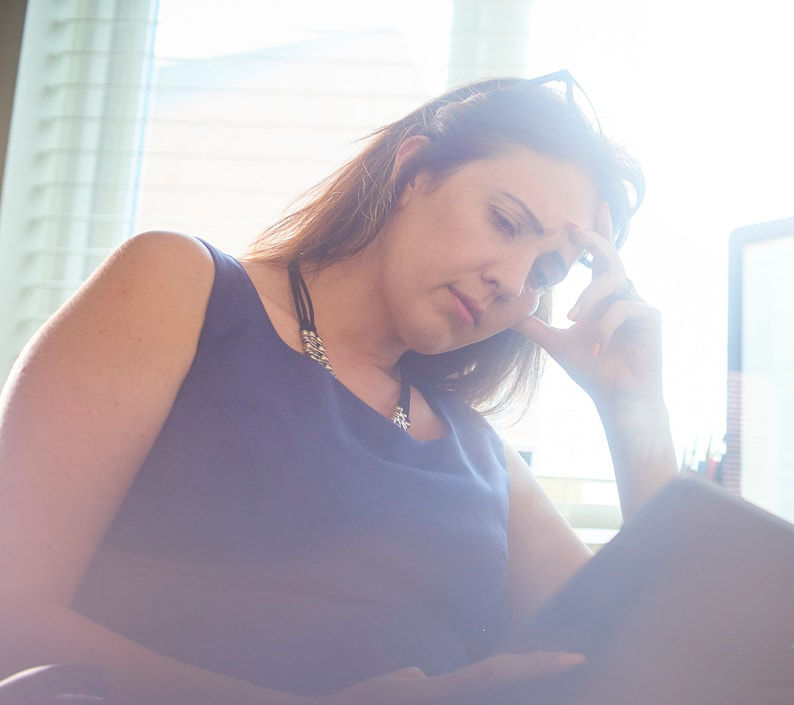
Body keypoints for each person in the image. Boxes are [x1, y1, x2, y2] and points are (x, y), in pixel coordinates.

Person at [0, 73, 677, 705]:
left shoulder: (483, 459)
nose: (513, 278)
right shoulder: (180, 287)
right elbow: (11, 616)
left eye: (547, 270)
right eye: (504, 221)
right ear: (414, 172)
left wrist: (635, 413)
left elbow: (648, 663)